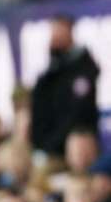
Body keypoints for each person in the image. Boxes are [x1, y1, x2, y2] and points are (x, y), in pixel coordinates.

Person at [30, 14, 99, 158]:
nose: (54, 37)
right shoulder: (50, 72)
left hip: (69, 148)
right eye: (52, 31)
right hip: (46, 147)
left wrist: (51, 145)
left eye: (58, 31)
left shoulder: (84, 70)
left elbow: (77, 114)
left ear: (70, 32)